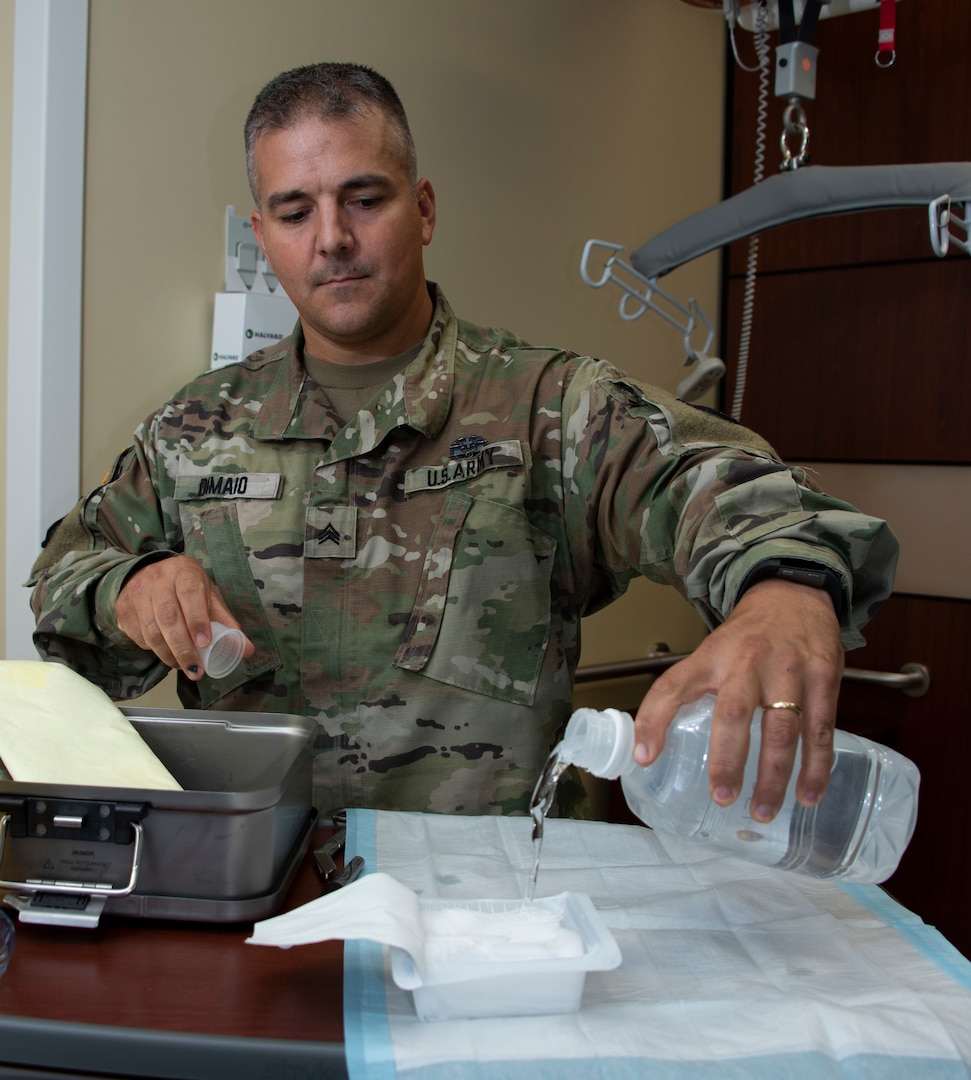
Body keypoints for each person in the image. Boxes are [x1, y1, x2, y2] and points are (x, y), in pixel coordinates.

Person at [29, 62, 898, 822]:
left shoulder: (550, 407)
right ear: (263, 238)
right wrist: (130, 586)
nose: (331, 237)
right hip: (257, 892)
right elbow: (61, 581)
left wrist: (785, 592)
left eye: (362, 199)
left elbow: (727, 490)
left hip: (487, 915)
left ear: (424, 208)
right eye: (294, 212)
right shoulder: (193, 431)